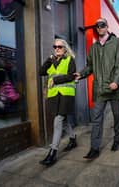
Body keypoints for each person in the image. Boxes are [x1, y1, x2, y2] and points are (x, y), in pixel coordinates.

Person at [74, 18, 119, 160]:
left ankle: (117, 139)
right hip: (99, 89)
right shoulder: (94, 47)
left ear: (107, 26)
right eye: (97, 26)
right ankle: (94, 148)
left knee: (117, 116)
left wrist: (116, 81)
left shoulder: (117, 42)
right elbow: (90, 66)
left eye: (102, 25)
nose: (100, 27)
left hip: (114, 88)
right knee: (96, 118)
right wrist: (81, 74)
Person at [39, 38, 77, 166]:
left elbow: (71, 76)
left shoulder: (70, 59)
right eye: (55, 47)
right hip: (54, 95)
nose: (57, 49)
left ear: (65, 48)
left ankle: (52, 153)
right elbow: (41, 72)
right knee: (64, 120)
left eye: (60, 47)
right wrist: (49, 60)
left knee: (58, 121)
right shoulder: (52, 61)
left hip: (66, 95)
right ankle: (73, 139)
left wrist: (56, 80)